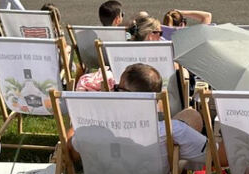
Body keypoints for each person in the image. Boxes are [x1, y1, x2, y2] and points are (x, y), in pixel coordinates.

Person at [69, 63, 209, 167]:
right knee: (191, 116)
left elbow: (73, 152)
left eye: (117, 88)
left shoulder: (96, 130)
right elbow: (213, 156)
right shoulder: (172, 130)